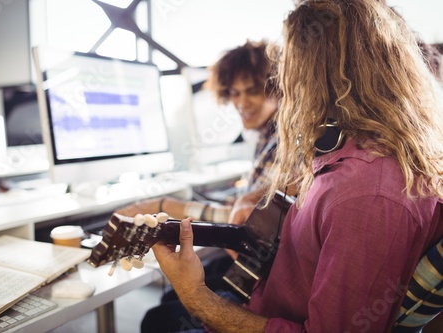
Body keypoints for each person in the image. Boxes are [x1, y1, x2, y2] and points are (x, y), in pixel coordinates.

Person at [150, 1, 443, 332]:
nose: (286, 86)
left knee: (157, 321)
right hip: (259, 299)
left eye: (290, 67)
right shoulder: (350, 154)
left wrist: (195, 296)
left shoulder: (369, 195)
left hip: (262, 318)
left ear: (312, 75)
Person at [115, 40, 281, 225]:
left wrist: (164, 206)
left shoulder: (282, 142)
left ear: (276, 89)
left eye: (253, 91)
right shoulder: (266, 138)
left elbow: (248, 218)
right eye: (235, 93)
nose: (242, 103)